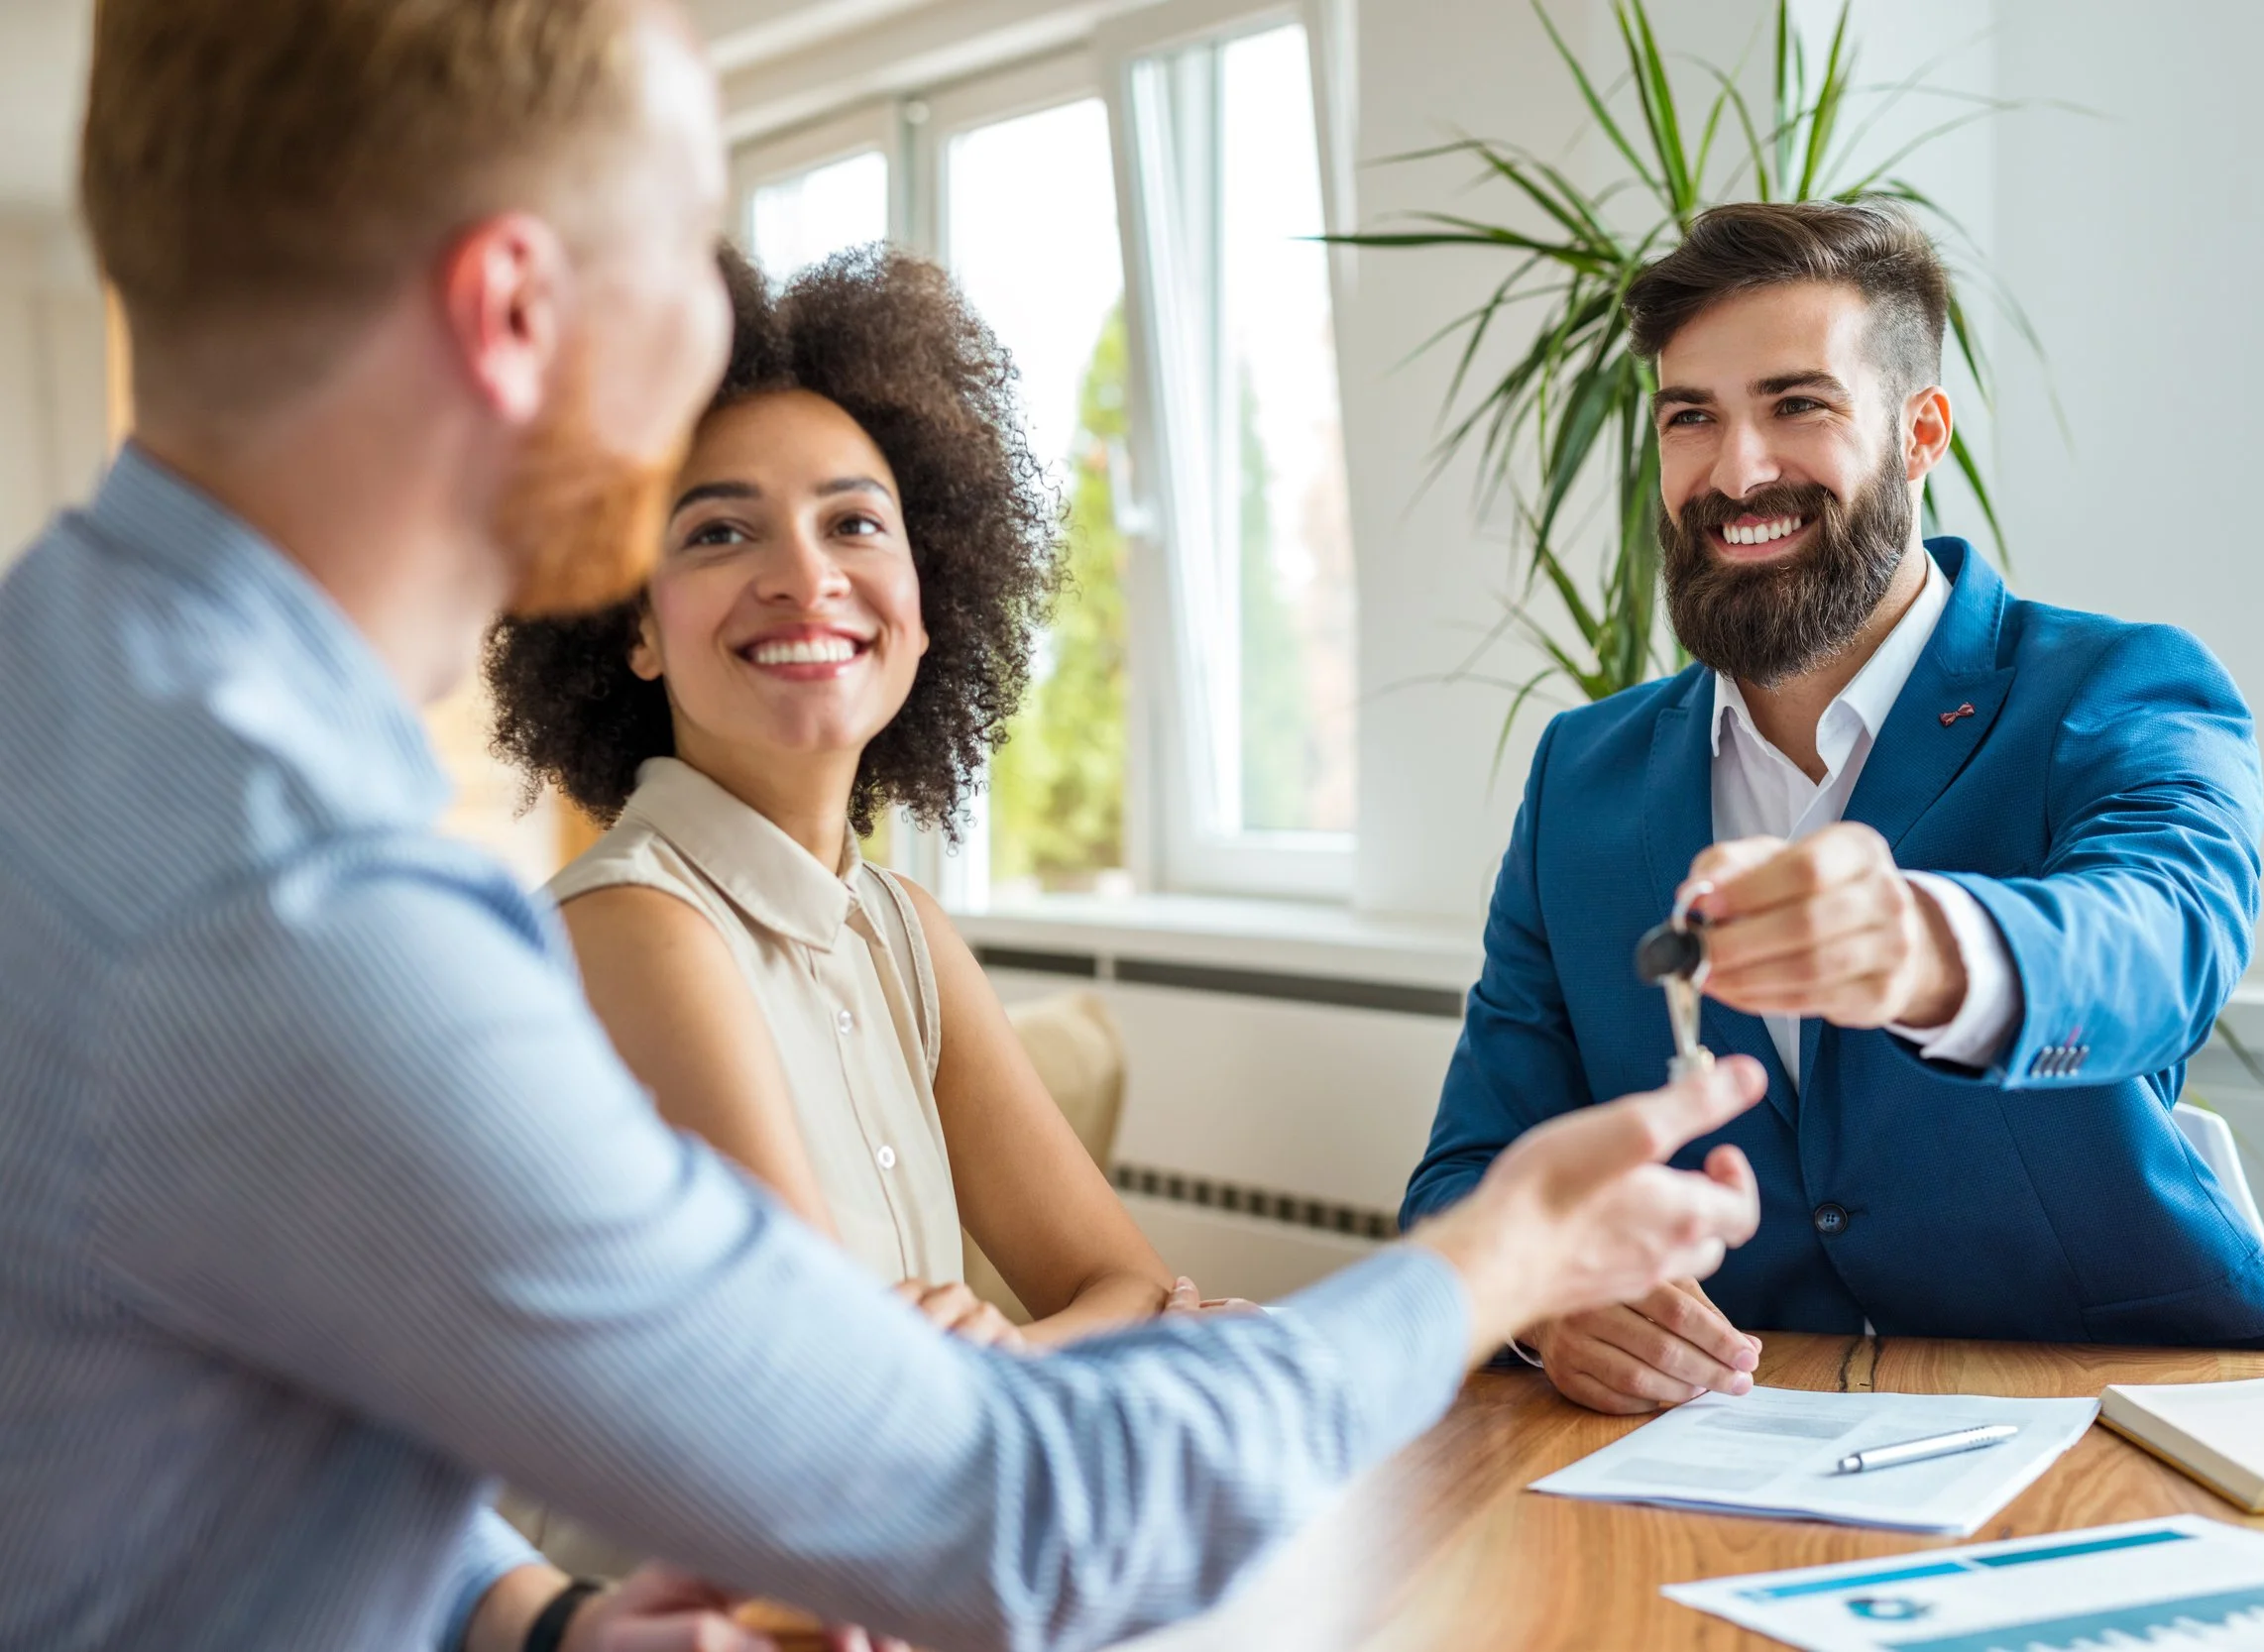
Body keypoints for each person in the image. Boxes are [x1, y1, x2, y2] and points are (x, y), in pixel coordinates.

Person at [0, 3, 1767, 1650]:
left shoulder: (89, 732)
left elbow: (220, 1415)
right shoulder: (296, 905)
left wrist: (536, 1620)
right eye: (687, 257)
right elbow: (1001, 1511)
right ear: (515, 311)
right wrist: (1492, 1258)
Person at [1402, 199, 2264, 1419]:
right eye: (1694, 417)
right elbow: (1467, 1179)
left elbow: (2165, 941)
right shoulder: (1581, 773)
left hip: (2125, 1417)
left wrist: (1924, 947)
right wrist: (1542, 1302)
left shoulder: (2117, 686)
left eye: (1798, 405)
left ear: (1919, 432)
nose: (1737, 472)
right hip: (1726, 1450)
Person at [484, 244, 1172, 1358]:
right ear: (634, 623)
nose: (806, 578)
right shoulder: (631, 928)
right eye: (717, 531)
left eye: (852, 523)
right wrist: (1020, 1353)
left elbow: (1129, 1280)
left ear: (926, 592)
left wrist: (1000, 1355)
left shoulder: (901, 931)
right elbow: (837, 1383)